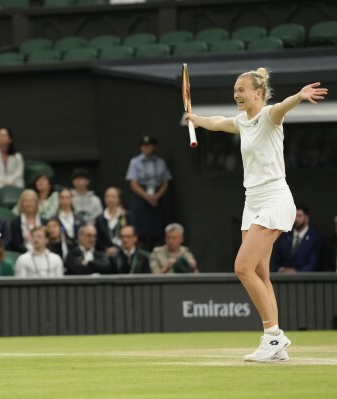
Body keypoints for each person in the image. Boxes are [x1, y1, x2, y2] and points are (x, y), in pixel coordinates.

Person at [185, 68, 328, 362]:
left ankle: (273, 337)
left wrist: (299, 96)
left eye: (242, 89)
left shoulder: (269, 117)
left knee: (243, 268)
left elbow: (281, 107)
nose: (237, 94)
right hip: (252, 202)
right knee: (261, 273)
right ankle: (275, 342)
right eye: (235, 90)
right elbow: (218, 122)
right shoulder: (242, 121)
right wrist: (197, 120)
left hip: (275, 199)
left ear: (258, 93)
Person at [125, 135, 172, 251]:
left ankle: (156, 258)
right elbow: (133, 183)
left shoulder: (160, 162)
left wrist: (157, 196)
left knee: (157, 232)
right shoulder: (135, 162)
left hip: (157, 198)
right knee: (141, 232)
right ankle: (141, 260)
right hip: (141, 198)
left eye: (149, 146)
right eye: (143, 146)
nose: (146, 148)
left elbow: (165, 182)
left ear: (154, 147)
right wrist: (147, 197)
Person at [272, 205, 323, 273]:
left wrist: (297, 274)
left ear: (307, 218)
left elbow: (313, 264)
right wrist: (283, 270)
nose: (296, 219)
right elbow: (275, 263)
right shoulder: (283, 237)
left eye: (299, 216)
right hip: (283, 280)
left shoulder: (315, 238)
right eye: (294, 216)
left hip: (306, 280)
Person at [95, 186, 133, 255]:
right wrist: (106, 249)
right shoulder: (100, 219)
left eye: (113, 196)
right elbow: (98, 239)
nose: (110, 199)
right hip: (104, 254)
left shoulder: (126, 216)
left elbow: (132, 235)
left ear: (119, 199)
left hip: (124, 252)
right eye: (108, 196)